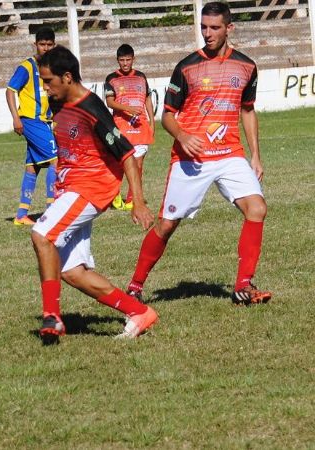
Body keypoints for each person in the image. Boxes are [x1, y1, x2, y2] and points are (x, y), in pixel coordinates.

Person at [126, 1, 271, 306]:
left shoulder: (247, 67)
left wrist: (255, 155)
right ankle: (135, 286)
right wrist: (182, 135)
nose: (207, 33)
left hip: (230, 154)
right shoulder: (186, 67)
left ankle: (243, 286)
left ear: (229, 28)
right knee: (166, 225)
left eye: (214, 28)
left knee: (257, 208)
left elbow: (247, 110)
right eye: (203, 27)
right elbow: (166, 115)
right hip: (191, 159)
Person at [31, 46, 158, 345]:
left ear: (67, 77)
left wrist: (137, 202)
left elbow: (126, 153)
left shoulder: (93, 109)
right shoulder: (58, 104)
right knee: (72, 272)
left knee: (42, 234)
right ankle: (139, 312)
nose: (45, 88)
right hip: (71, 188)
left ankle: (52, 315)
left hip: (91, 188)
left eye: (49, 81)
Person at [6, 27, 58, 226]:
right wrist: (16, 118)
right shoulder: (27, 67)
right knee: (56, 160)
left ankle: (21, 214)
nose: (45, 48)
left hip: (44, 121)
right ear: (35, 45)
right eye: (42, 44)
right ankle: (52, 210)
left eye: (49, 44)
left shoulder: (53, 67)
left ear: (54, 45)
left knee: (32, 167)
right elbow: (10, 91)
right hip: (30, 120)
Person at [104, 44, 155, 211]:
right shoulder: (111, 78)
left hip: (140, 126)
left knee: (138, 164)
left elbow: (147, 99)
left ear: (133, 59)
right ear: (117, 61)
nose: (125, 63)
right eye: (121, 60)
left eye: (128, 60)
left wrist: (152, 122)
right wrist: (128, 109)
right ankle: (114, 195)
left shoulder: (141, 77)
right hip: (121, 126)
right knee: (121, 164)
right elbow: (109, 102)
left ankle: (132, 200)